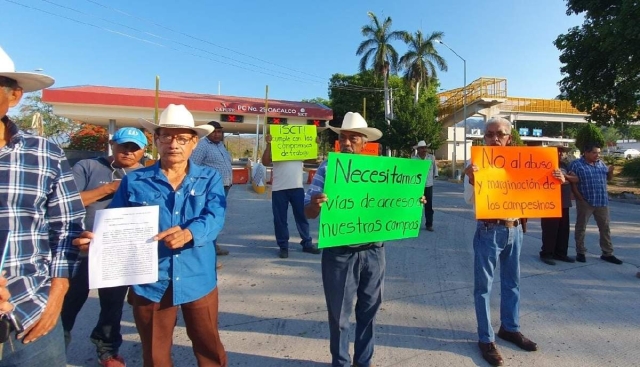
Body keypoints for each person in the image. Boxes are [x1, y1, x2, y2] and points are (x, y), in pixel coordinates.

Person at [74, 104, 227, 367]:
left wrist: (190, 233)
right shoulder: (135, 181)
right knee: (155, 355)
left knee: (209, 347)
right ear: (156, 141)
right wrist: (96, 241)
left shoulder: (209, 178)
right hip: (150, 281)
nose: (173, 144)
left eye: (182, 138)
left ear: (193, 143)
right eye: (166, 136)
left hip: (197, 277)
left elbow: (215, 216)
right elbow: (115, 221)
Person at [0, 46, 85, 365]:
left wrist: (57, 294)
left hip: (33, 314)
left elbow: (67, 225)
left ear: (14, 96)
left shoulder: (45, 154)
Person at [463, 117, 565, 366]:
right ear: (483, 138)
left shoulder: (525, 163)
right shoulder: (475, 164)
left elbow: (536, 191)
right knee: (483, 288)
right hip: (488, 229)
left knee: (512, 283)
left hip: (515, 229)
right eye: (489, 134)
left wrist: (555, 179)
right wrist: (471, 179)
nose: (494, 138)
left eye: (500, 134)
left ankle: (509, 328)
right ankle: (486, 338)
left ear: (509, 137)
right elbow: (469, 201)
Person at [304, 112, 386, 367]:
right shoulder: (327, 168)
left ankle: (364, 362)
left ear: (364, 142)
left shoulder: (380, 171)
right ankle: (340, 362)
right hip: (339, 252)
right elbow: (307, 211)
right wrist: (316, 205)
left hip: (374, 251)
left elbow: (393, 206)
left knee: (369, 313)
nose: (348, 142)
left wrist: (412, 202)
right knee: (339, 316)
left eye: (354, 138)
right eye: (343, 138)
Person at [61, 127, 147, 367]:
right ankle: (55, 348)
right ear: (112, 144)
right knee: (67, 304)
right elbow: (67, 202)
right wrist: (108, 189)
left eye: (134, 148)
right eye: (123, 146)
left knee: (112, 307)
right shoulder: (87, 167)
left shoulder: (145, 175)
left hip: (115, 254)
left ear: (143, 151)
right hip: (80, 251)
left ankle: (107, 350)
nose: (128, 152)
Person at [261, 131, 320, 259]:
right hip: (279, 189)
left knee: (301, 216)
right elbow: (265, 162)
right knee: (280, 219)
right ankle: (283, 246)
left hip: (297, 188)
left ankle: (307, 243)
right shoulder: (275, 149)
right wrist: (269, 144)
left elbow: (312, 159)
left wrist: (314, 145)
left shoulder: (299, 149)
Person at [569, 144, 622, 264]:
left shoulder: (600, 163)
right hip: (586, 201)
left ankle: (607, 253)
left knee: (605, 228)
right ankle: (580, 252)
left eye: (599, 153)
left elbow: (608, 179)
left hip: (602, 201)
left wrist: (611, 172)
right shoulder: (576, 165)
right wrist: (579, 197)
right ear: (586, 153)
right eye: (594, 153)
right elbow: (572, 182)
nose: (597, 155)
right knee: (581, 227)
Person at [191, 120, 232, 260]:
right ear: (207, 132)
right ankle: (207, 250)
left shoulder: (220, 145)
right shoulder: (202, 146)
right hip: (209, 189)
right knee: (209, 217)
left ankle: (214, 245)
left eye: (219, 131)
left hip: (224, 188)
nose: (216, 134)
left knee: (217, 217)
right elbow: (193, 166)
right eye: (213, 132)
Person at [539, 144, 577, 265]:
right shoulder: (543, 165)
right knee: (550, 229)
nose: (560, 154)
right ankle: (547, 253)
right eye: (557, 151)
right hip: (549, 202)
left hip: (564, 202)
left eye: (561, 152)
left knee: (563, 230)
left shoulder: (565, 165)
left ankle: (561, 253)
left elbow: (575, 178)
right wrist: (564, 180)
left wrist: (565, 178)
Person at [412, 140, 438, 231]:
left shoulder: (431, 158)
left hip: (428, 185)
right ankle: (413, 224)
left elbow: (435, 169)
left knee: (428, 205)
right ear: (418, 150)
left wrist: (434, 177)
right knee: (416, 205)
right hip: (417, 186)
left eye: (425, 148)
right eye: (422, 148)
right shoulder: (414, 160)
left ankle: (429, 224)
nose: (424, 150)